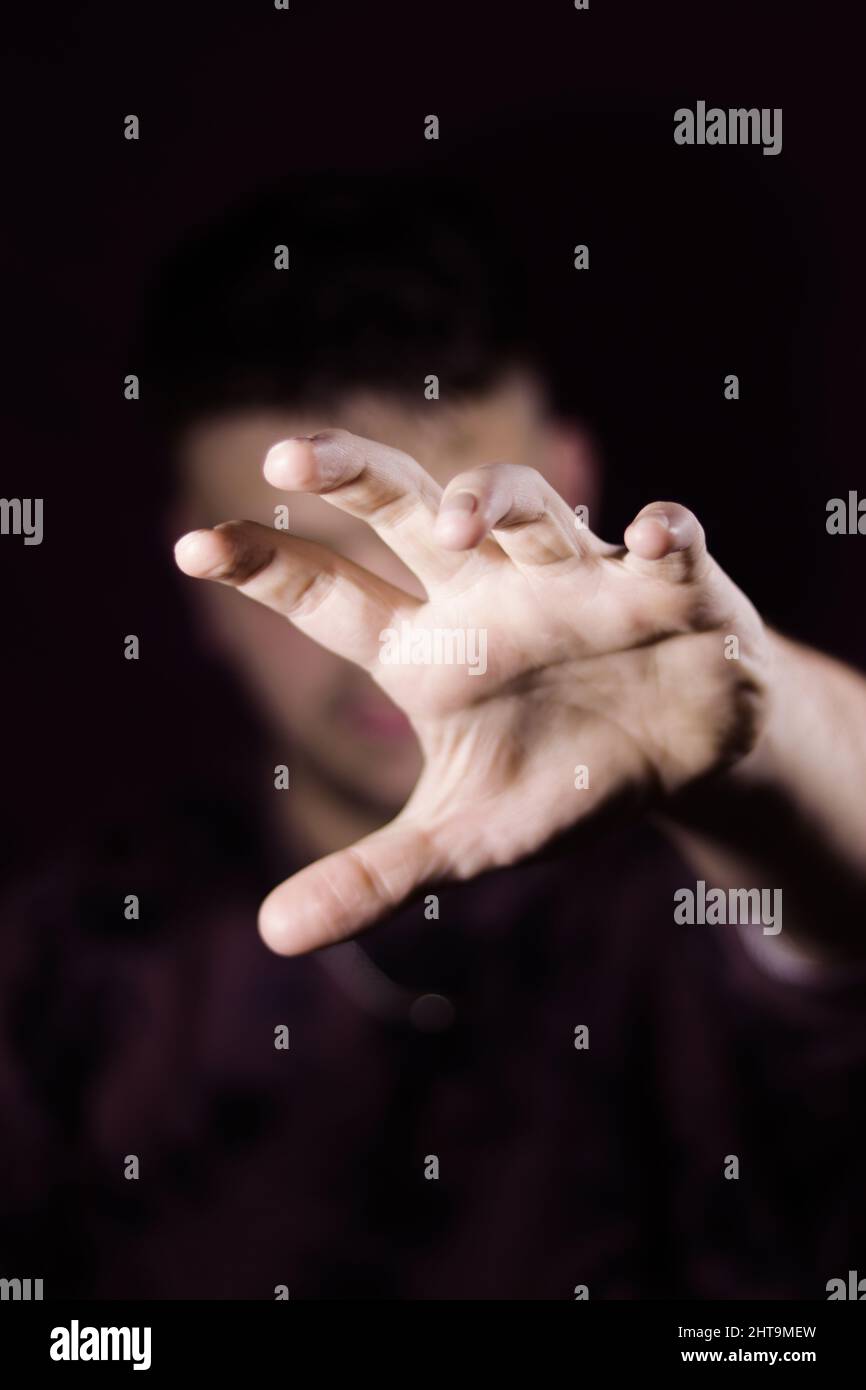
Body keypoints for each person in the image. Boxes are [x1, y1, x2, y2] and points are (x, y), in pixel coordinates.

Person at [2, 174, 865, 1300]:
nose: (406, 639)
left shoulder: (720, 886)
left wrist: (757, 731)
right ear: (201, 580)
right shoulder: (69, 967)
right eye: (297, 557)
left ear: (569, 484)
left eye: (441, 533)